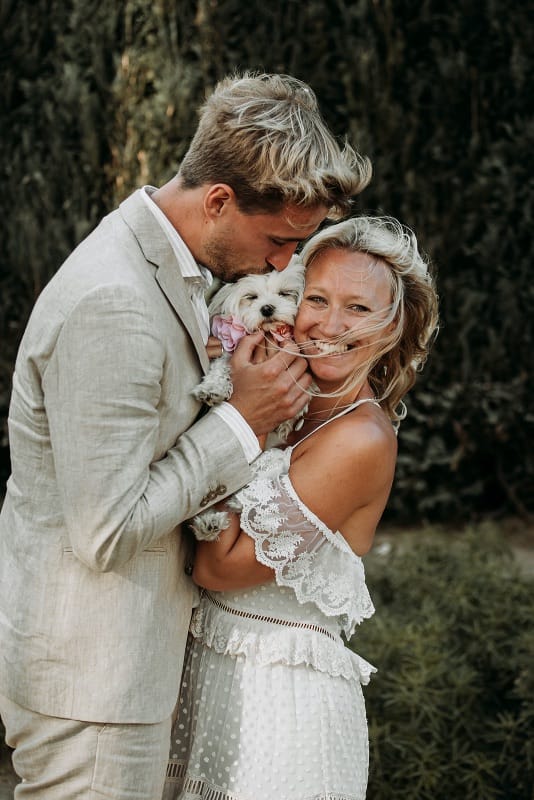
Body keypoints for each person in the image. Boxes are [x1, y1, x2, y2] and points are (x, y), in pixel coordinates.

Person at [0, 72, 372, 798]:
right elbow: (106, 531)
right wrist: (244, 421)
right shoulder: (117, 300)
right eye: (279, 242)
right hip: (93, 685)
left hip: (128, 670)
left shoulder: (165, 266)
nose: (279, 267)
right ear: (219, 201)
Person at [163, 215, 439, 800]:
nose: (328, 324)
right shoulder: (291, 396)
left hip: (279, 714)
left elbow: (219, 567)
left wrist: (240, 417)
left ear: (393, 326)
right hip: (208, 679)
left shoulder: (359, 440)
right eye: (315, 298)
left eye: (359, 309)